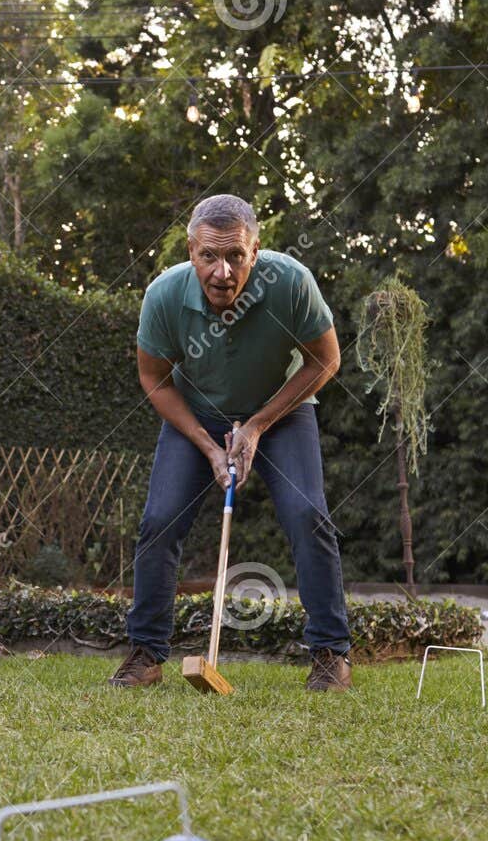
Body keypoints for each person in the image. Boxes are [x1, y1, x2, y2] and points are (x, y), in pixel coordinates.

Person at [110, 193, 352, 691]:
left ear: (256, 251)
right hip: (199, 413)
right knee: (159, 520)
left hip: (282, 410)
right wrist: (207, 444)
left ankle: (331, 653)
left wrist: (259, 424)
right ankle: (146, 655)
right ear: (190, 250)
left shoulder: (290, 284)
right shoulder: (164, 296)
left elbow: (324, 362)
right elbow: (155, 380)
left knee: (308, 515)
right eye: (209, 256)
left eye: (236, 256)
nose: (222, 272)